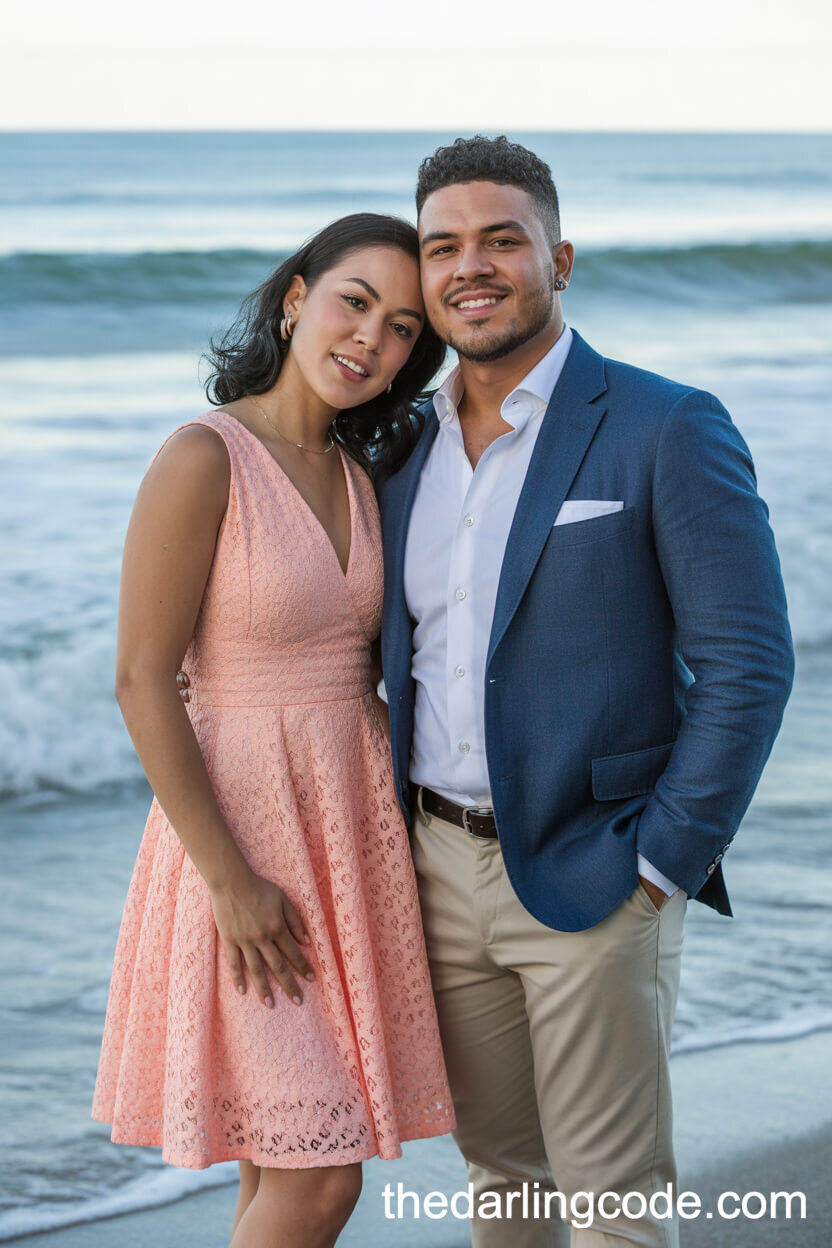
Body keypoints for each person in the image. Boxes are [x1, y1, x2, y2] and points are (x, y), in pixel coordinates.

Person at [376, 137, 794, 1247]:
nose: (472, 266)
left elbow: (750, 663)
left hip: (597, 868)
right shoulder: (399, 449)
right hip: (433, 869)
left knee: (613, 1202)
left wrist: (659, 863)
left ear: (558, 257)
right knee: (501, 1177)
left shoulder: (666, 424)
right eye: (443, 246)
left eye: (501, 240)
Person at [92, 213, 454, 1248]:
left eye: (399, 330)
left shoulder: (361, 474)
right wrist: (230, 880)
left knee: (283, 1158)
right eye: (353, 302)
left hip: (349, 840)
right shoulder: (205, 457)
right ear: (295, 296)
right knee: (320, 1178)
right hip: (241, 847)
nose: (370, 341)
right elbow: (141, 679)